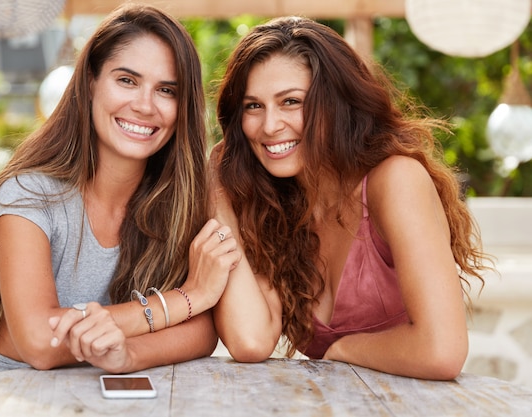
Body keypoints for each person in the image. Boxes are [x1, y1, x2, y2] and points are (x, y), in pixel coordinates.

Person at [0, 4, 239, 380]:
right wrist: (189, 298)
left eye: (166, 90)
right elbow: (40, 342)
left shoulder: (178, 202)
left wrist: (127, 355)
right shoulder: (28, 193)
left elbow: (201, 332)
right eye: (126, 80)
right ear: (90, 82)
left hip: (97, 393)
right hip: (3, 388)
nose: (144, 105)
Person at [210, 16, 491, 380]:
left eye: (291, 101)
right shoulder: (273, 208)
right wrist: (216, 189)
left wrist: (341, 350)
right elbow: (250, 340)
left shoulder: (393, 181)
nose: (269, 125)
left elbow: (441, 351)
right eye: (253, 106)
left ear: (336, 103)